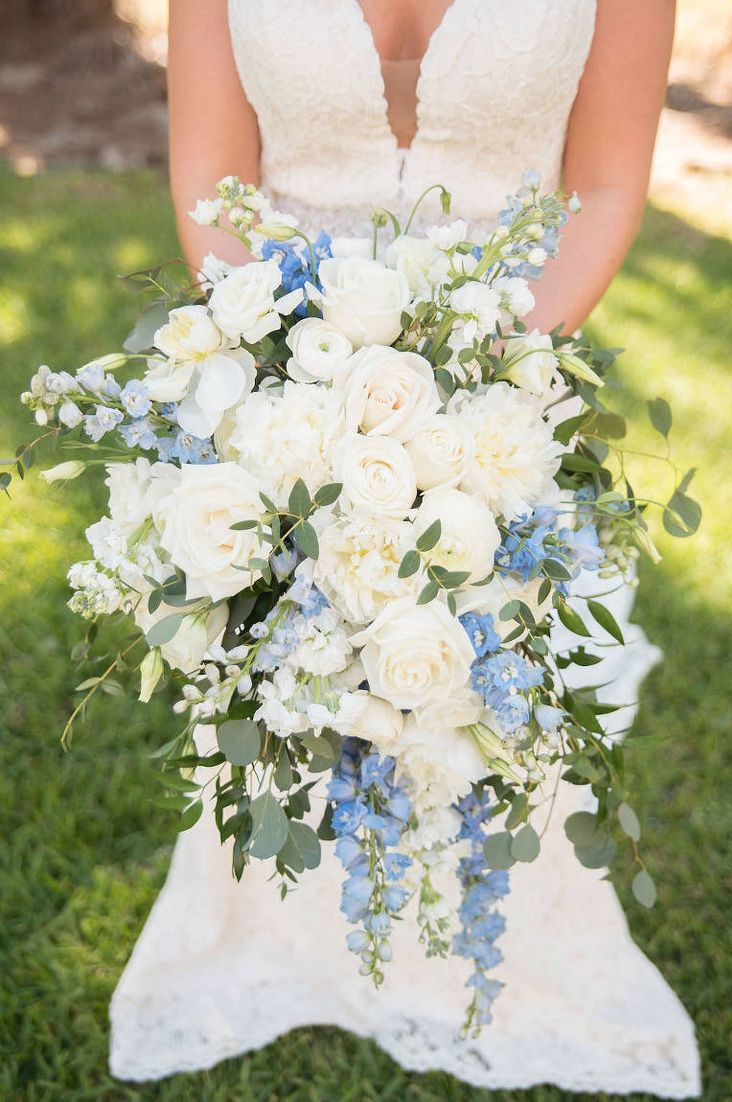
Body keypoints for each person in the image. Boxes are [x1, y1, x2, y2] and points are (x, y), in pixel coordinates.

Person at [109, 2, 701, 1094]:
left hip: (512, 359)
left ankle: (492, 943)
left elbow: (607, 180)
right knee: (292, 669)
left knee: (485, 676)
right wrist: (287, 378)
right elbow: (213, 178)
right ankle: (280, 919)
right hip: (286, 381)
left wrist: (486, 391)